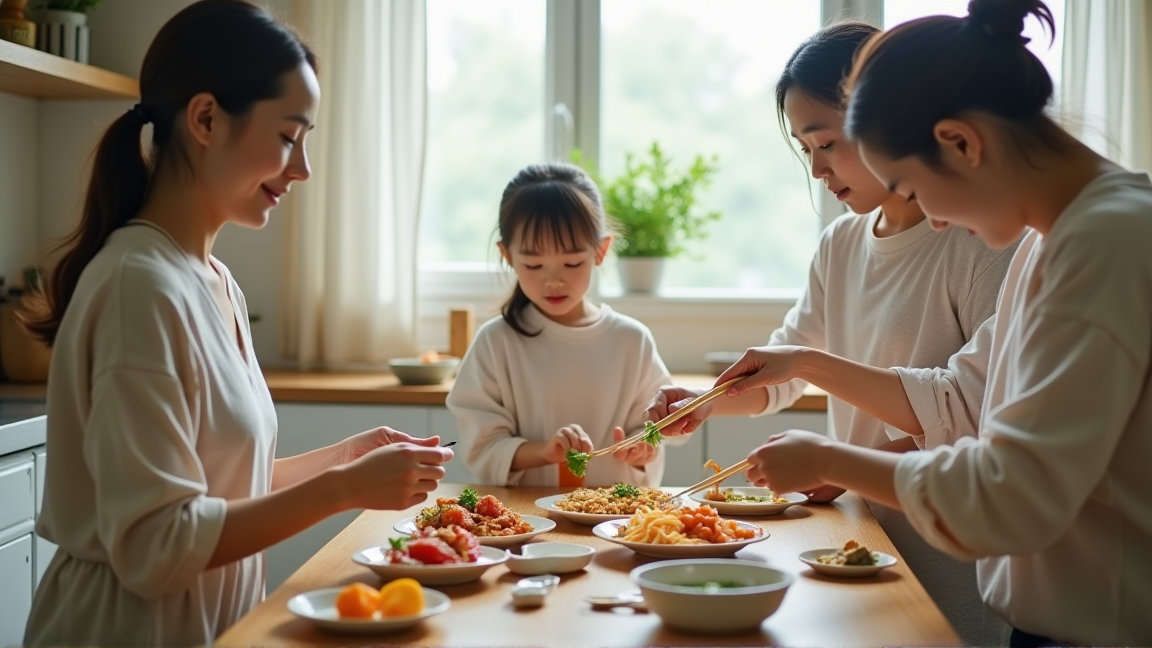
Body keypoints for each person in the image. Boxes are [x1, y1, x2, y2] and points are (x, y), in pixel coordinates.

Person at [22, 2, 452, 645]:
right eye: (287, 136)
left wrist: (344, 459)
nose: (302, 169)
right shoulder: (138, 286)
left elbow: (216, 486)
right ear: (205, 119)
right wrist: (342, 489)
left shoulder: (214, 280)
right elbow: (155, 546)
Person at [722, 0, 1152, 644]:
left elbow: (1010, 495)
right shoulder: (1056, 238)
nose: (936, 221)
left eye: (917, 190)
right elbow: (990, 436)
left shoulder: (1106, 241)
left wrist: (834, 459)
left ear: (960, 142)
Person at [644, 22, 1016, 644]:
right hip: (858, 533)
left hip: (950, 543)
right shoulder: (842, 243)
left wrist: (848, 461)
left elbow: (974, 417)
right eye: (804, 148)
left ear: (884, 121)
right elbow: (787, 367)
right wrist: (707, 402)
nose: (817, 169)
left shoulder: (981, 241)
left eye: (828, 144)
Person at [448, 163, 676, 487]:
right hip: (526, 522)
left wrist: (643, 447)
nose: (553, 280)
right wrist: (547, 452)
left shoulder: (631, 340)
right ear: (507, 255)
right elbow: (482, 447)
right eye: (534, 264)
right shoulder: (495, 342)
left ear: (601, 251)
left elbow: (655, 425)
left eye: (571, 263)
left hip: (614, 519)